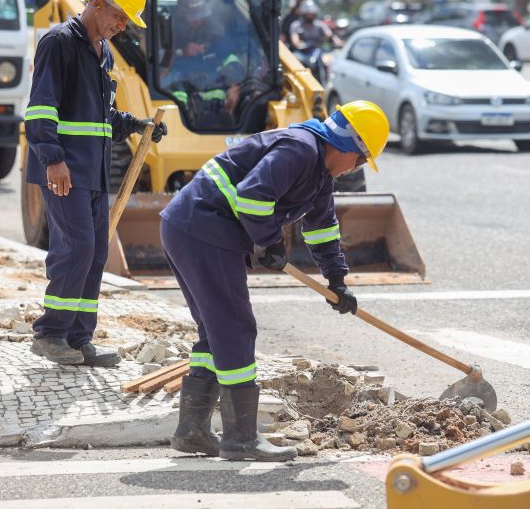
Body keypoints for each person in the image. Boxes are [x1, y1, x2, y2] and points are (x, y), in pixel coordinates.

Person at [161, 101, 389, 461]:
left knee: (215, 331)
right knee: (235, 328)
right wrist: (268, 242)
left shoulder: (320, 173)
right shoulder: (299, 149)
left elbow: (322, 229)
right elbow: (252, 194)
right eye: (360, 160)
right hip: (203, 229)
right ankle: (241, 439)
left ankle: (192, 431)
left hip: (190, 228)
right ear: (347, 144)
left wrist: (336, 280)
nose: (355, 168)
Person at [24, 0, 167, 367]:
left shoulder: (102, 52)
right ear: (98, 4)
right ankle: (50, 334)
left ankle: (78, 337)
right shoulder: (59, 43)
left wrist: (137, 125)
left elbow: (101, 119)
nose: (122, 26)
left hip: (94, 172)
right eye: (120, 17)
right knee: (77, 248)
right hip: (64, 171)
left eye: (127, 21)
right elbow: (39, 110)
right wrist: (53, 159)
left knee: (95, 252)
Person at [169, 0, 244, 127]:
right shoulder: (170, 28)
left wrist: (235, 84)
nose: (198, 20)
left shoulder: (215, 29)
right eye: (193, 16)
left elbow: (231, 57)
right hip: (181, 84)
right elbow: (159, 62)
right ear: (181, 14)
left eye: (200, 15)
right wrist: (182, 52)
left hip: (213, 87)